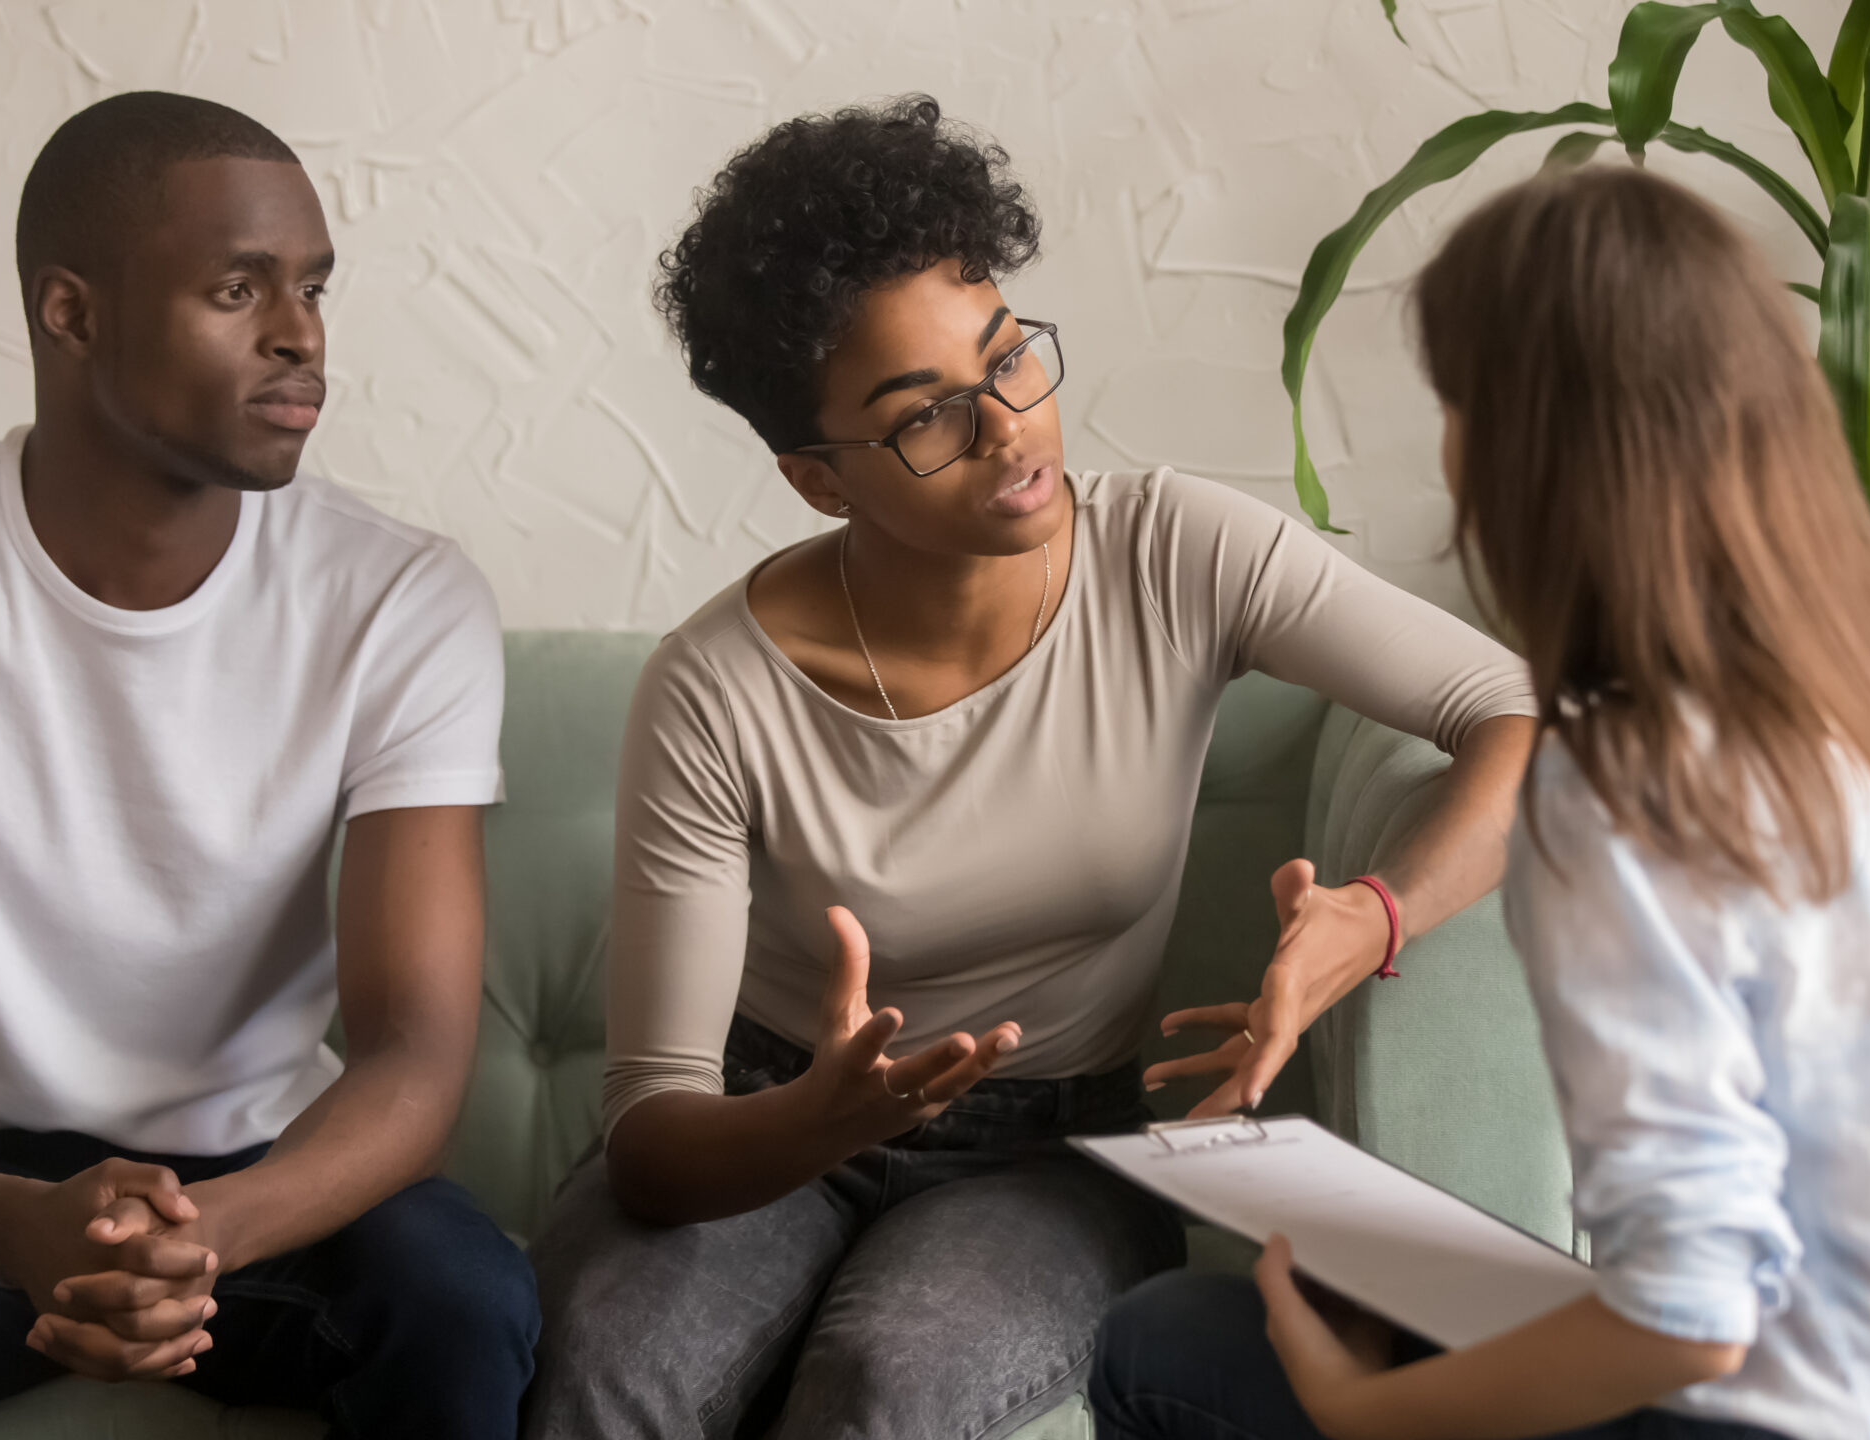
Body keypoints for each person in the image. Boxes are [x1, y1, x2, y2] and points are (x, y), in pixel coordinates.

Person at [524, 95, 1540, 1438]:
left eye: (1009, 359)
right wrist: (823, 1122)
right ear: (819, 480)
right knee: (607, 1370)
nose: (1008, 430)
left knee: (892, 1383)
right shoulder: (716, 689)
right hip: (766, 1128)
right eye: (926, 417)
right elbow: (656, 1136)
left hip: (1053, 1155)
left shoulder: (1178, 552)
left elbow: (1517, 714)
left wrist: (1375, 913)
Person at [1088, 165, 1870, 1440]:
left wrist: (1377, 1412)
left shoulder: (1623, 792)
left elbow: (1691, 1319)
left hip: (1803, 1418)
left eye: (1459, 403)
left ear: (1525, 452)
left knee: (1167, 1344)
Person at [0, 92, 538, 1438]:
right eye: (236, 287)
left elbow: (418, 1050)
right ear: (71, 313)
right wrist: (21, 1229)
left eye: (312, 287)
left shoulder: (402, 596)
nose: (298, 332)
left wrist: (210, 1239)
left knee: (461, 1294)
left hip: (268, 1181)